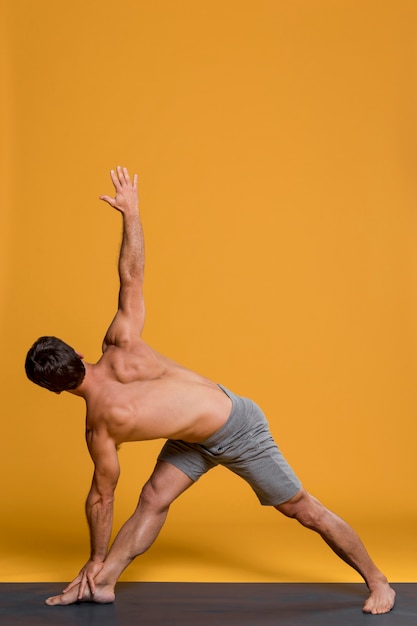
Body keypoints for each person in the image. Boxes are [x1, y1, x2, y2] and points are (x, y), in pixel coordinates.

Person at [25, 166, 395, 614]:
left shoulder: (100, 430)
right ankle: (101, 584)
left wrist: (94, 551)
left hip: (237, 427)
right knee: (152, 500)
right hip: (194, 437)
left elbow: (102, 498)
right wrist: (131, 213)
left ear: (56, 391)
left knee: (302, 509)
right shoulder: (120, 343)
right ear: (79, 356)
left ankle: (379, 581)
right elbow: (131, 276)